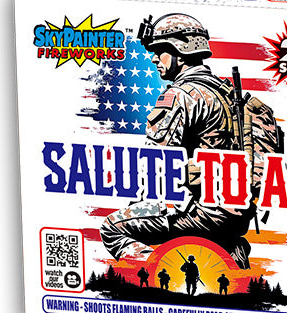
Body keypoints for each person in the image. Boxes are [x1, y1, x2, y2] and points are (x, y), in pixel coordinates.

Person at [100, 14, 256, 269]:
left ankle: (154, 274)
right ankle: (235, 265)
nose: (153, 59)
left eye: (160, 51)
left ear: (180, 53)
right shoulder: (228, 95)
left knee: (112, 228)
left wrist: (141, 204)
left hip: (200, 211)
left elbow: (157, 165)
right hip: (235, 213)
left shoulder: (179, 95)